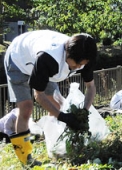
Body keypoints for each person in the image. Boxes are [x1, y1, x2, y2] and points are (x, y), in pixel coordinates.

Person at [4, 30, 98, 166]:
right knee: (26, 108)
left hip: (42, 65)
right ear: (67, 52)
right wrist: (63, 117)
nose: (78, 67)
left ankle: (53, 144)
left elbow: (91, 87)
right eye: (76, 64)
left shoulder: (85, 55)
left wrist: (84, 111)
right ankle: (25, 159)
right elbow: (39, 95)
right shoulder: (48, 58)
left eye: (81, 64)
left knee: (57, 105)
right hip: (18, 60)